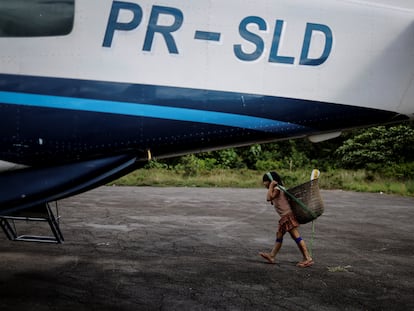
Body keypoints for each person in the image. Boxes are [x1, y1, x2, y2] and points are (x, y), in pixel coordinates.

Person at [259, 171, 314, 268]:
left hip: (288, 217)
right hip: (285, 218)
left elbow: (268, 198)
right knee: (279, 235)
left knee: (296, 237)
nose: (264, 184)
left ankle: (307, 258)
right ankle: (272, 256)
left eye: (265, 181)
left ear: (271, 181)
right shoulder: (279, 188)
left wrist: (271, 186)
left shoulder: (277, 189)